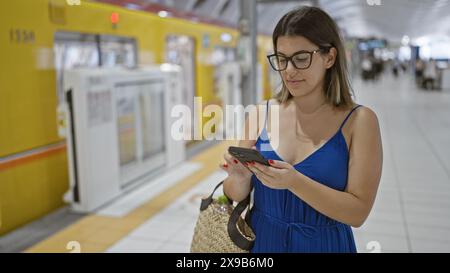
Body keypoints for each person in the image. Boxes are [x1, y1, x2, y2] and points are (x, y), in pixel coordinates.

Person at [220, 6, 382, 253]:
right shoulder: (261, 113)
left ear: (329, 57)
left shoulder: (359, 121)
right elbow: (235, 194)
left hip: (324, 245)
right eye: (281, 59)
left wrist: (294, 182)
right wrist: (239, 178)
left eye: (301, 58)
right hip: (263, 242)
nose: (289, 70)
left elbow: (358, 213)